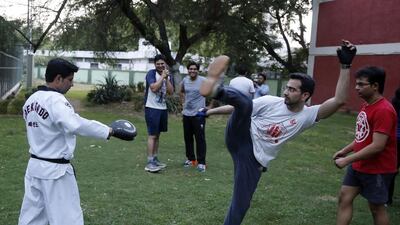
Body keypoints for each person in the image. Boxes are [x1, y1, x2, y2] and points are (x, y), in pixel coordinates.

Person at [199, 40, 357, 225]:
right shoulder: (270, 101)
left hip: (254, 159)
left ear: (305, 95)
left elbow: (339, 100)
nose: (285, 92)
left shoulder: (309, 115)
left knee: (241, 204)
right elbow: (235, 108)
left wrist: (345, 66)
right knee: (245, 103)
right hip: (242, 136)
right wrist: (209, 111)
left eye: (291, 89)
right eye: (286, 87)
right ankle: (216, 89)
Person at [18, 58, 135, 225]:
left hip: (35, 167)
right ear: (58, 79)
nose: (72, 84)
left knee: (32, 219)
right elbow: (75, 124)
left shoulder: (31, 100)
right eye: (70, 80)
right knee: (68, 220)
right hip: (55, 172)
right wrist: (109, 131)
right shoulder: (56, 100)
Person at [333, 67, 398, 225]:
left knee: (376, 208)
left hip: (378, 169)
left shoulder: (384, 110)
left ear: (375, 86)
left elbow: (377, 146)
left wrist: (347, 160)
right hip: (359, 165)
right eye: (356, 84)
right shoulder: (367, 105)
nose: (356, 88)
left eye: (361, 84)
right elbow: (363, 137)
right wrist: (344, 151)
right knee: (344, 198)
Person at [144, 54, 174, 172]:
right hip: (152, 108)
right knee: (152, 135)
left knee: (158, 135)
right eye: (158, 64)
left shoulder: (167, 75)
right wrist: (162, 77)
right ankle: (149, 162)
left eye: (162, 63)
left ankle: (155, 159)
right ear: (154, 64)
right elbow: (154, 88)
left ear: (165, 63)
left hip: (162, 108)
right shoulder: (151, 74)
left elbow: (171, 92)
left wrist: (166, 79)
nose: (160, 65)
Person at [180, 61, 208, 172]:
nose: (192, 71)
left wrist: (209, 107)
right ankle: (191, 159)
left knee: (200, 139)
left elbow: (213, 92)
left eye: (194, 69)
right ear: (188, 70)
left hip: (199, 114)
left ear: (198, 70)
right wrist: (183, 103)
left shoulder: (203, 81)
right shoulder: (185, 80)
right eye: (190, 69)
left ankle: (201, 162)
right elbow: (181, 91)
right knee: (188, 138)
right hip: (186, 114)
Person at [388, 87, 400, 205]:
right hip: (397, 137)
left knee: (392, 169)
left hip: (395, 138)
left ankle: (388, 198)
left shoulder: (394, 101)